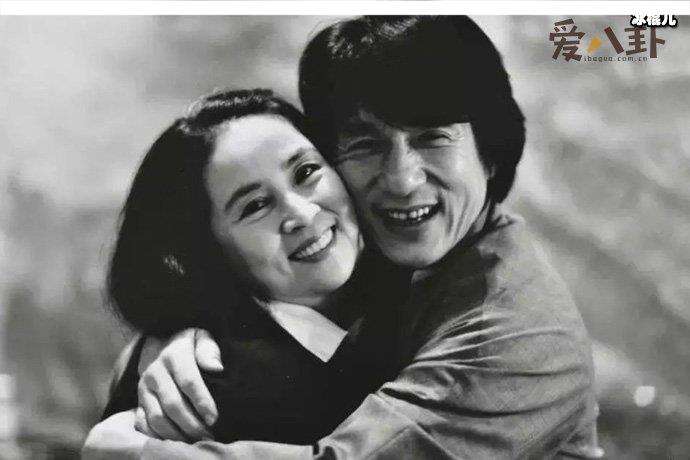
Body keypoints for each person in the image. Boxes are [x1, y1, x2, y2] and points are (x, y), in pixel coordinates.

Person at [87, 16, 602, 458]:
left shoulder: (519, 335)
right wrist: (182, 332)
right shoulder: (392, 253)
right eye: (365, 143)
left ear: (490, 152)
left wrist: (135, 453)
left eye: (432, 138)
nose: (402, 180)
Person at [83, 88, 407, 457]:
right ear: (208, 250)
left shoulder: (405, 283)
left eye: (306, 172)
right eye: (255, 206)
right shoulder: (215, 390)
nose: (302, 215)